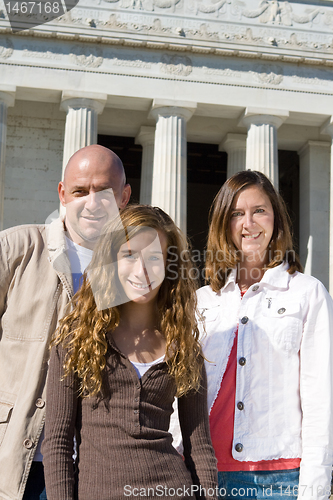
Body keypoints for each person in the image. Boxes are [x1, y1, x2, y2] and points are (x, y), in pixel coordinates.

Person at [42, 204, 218, 500]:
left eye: (154, 257)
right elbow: (58, 444)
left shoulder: (183, 345)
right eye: (129, 255)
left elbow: (199, 445)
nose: (142, 270)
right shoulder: (77, 340)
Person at [0, 144, 131, 500]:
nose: (91, 202)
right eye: (79, 191)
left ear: (124, 196)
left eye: (103, 191)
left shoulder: (134, 271)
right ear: (62, 193)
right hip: (12, 460)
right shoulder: (16, 249)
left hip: (90, 466)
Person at [198, 170, 333, 500]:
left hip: (280, 480)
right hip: (205, 473)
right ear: (223, 224)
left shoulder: (307, 292)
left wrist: (314, 488)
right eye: (237, 214)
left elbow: (320, 399)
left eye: (259, 210)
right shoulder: (201, 300)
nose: (249, 224)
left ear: (276, 219)